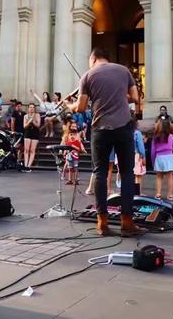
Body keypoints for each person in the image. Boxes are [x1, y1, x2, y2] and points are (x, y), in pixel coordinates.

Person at [66, 47, 146, 237]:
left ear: (92, 59)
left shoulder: (87, 76)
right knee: (126, 173)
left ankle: (102, 223)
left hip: (100, 129)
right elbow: (135, 98)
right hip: (123, 126)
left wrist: (70, 104)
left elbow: (81, 107)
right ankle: (127, 222)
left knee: (100, 173)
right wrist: (120, 94)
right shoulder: (123, 71)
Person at [151, 119, 173, 200]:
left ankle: (158, 194)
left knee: (159, 177)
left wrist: (153, 160)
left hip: (159, 157)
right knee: (170, 177)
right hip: (169, 156)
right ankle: (170, 194)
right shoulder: (171, 136)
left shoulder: (155, 137)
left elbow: (153, 150)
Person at [23, 103, 40, 172]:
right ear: (28, 108)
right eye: (30, 107)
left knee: (32, 150)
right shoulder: (25, 116)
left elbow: (38, 125)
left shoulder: (37, 115)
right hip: (27, 133)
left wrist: (33, 122)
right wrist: (29, 122)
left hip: (35, 133)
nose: (32, 108)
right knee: (26, 150)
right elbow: (24, 126)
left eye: (33, 107)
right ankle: (25, 165)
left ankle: (29, 166)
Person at [132, 119, 146, 196]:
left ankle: (128, 191)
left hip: (126, 155)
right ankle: (138, 193)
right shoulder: (137, 133)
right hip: (136, 155)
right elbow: (141, 147)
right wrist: (143, 156)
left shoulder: (124, 132)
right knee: (138, 175)